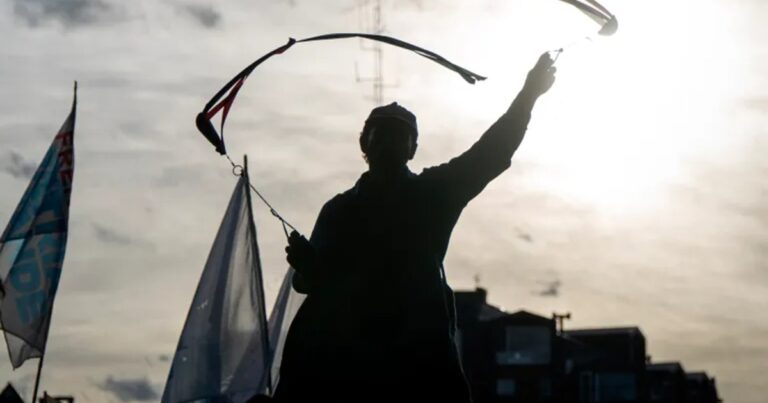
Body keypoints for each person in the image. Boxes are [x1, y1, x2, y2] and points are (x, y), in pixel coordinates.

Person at [273, 52, 557, 402]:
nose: (391, 141)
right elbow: (308, 284)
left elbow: (491, 151)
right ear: (365, 143)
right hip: (350, 370)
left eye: (400, 135)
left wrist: (528, 95)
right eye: (382, 134)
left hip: (421, 364)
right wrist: (307, 265)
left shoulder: (433, 194)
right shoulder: (339, 210)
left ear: (413, 148)